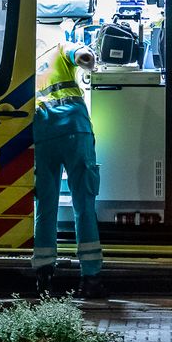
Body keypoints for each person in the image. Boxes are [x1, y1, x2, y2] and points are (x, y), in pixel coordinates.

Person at [32, 24, 105, 299]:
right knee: (83, 205)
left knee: (45, 208)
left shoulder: (25, 68)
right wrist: (89, 60)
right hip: (75, 131)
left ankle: (44, 279)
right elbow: (82, 54)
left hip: (43, 136)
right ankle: (91, 278)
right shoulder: (59, 48)